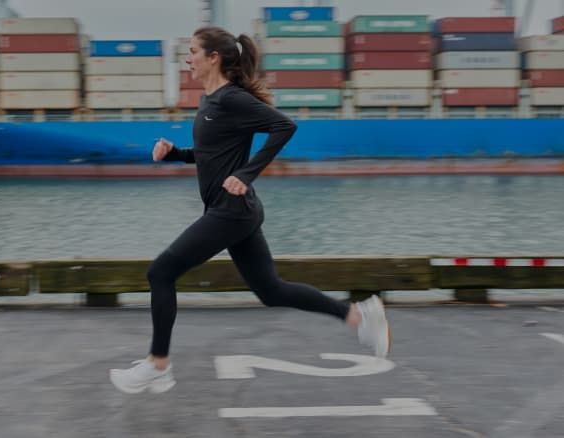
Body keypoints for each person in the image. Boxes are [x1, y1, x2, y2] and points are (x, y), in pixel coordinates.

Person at [109, 26, 390, 395]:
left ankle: (158, 364)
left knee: (160, 273)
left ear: (214, 58)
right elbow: (211, 155)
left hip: (230, 212)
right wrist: (174, 154)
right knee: (271, 291)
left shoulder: (230, 99)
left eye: (192, 51)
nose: (187, 58)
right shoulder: (210, 101)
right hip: (237, 211)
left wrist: (246, 173)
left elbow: (284, 126)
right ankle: (358, 316)